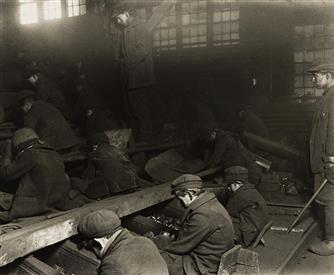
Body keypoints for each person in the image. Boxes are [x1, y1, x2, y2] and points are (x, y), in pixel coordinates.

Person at [307, 60, 334, 256]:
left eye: (317, 75)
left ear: (329, 75)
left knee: (332, 198)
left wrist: (331, 159)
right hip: (324, 159)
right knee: (332, 197)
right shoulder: (327, 96)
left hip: (330, 160)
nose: (313, 79)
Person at [161, 174, 235, 275]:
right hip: (213, 259)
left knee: (156, 259)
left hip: (202, 267)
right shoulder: (210, 203)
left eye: (180, 198)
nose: (180, 203)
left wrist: (159, 250)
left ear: (190, 194)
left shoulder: (204, 215)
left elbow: (182, 247)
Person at [0, 128, 70, 223]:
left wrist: (7, 152)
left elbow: (5, 174)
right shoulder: (52, 152)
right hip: (53, 202)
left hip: (36, 207)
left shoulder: (31, 154)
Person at [77, 209, 169, 275]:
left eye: (93, 250)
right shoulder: (145, 241)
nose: (96, 255)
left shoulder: (114, 263)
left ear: (100, 242)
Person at [112, 4, 155, 141]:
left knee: (140, 109)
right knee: (131, 109)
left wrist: (125, 62)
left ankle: (146, 136)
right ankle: (138, 136)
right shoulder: (126, 30)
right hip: (129, 76)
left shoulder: (141, 28)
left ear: (127, 14)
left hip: (139, 77)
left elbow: (143, 51)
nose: (118, 22)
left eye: (119, 18)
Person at [78, 133, 138, 199]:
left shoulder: (94, 154)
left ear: (94, 145)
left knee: (86, 188)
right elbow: (130, 165)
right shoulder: (116, 149)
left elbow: (89, 174)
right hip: (130, 183)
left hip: (114, 185)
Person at [224, 166, 269, 247]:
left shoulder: (240, 196)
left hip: (247, 235)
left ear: (236, 184)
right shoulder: (251, 190)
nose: (228, 188)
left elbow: (227, 214)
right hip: (256, 228)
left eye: (229, 185)